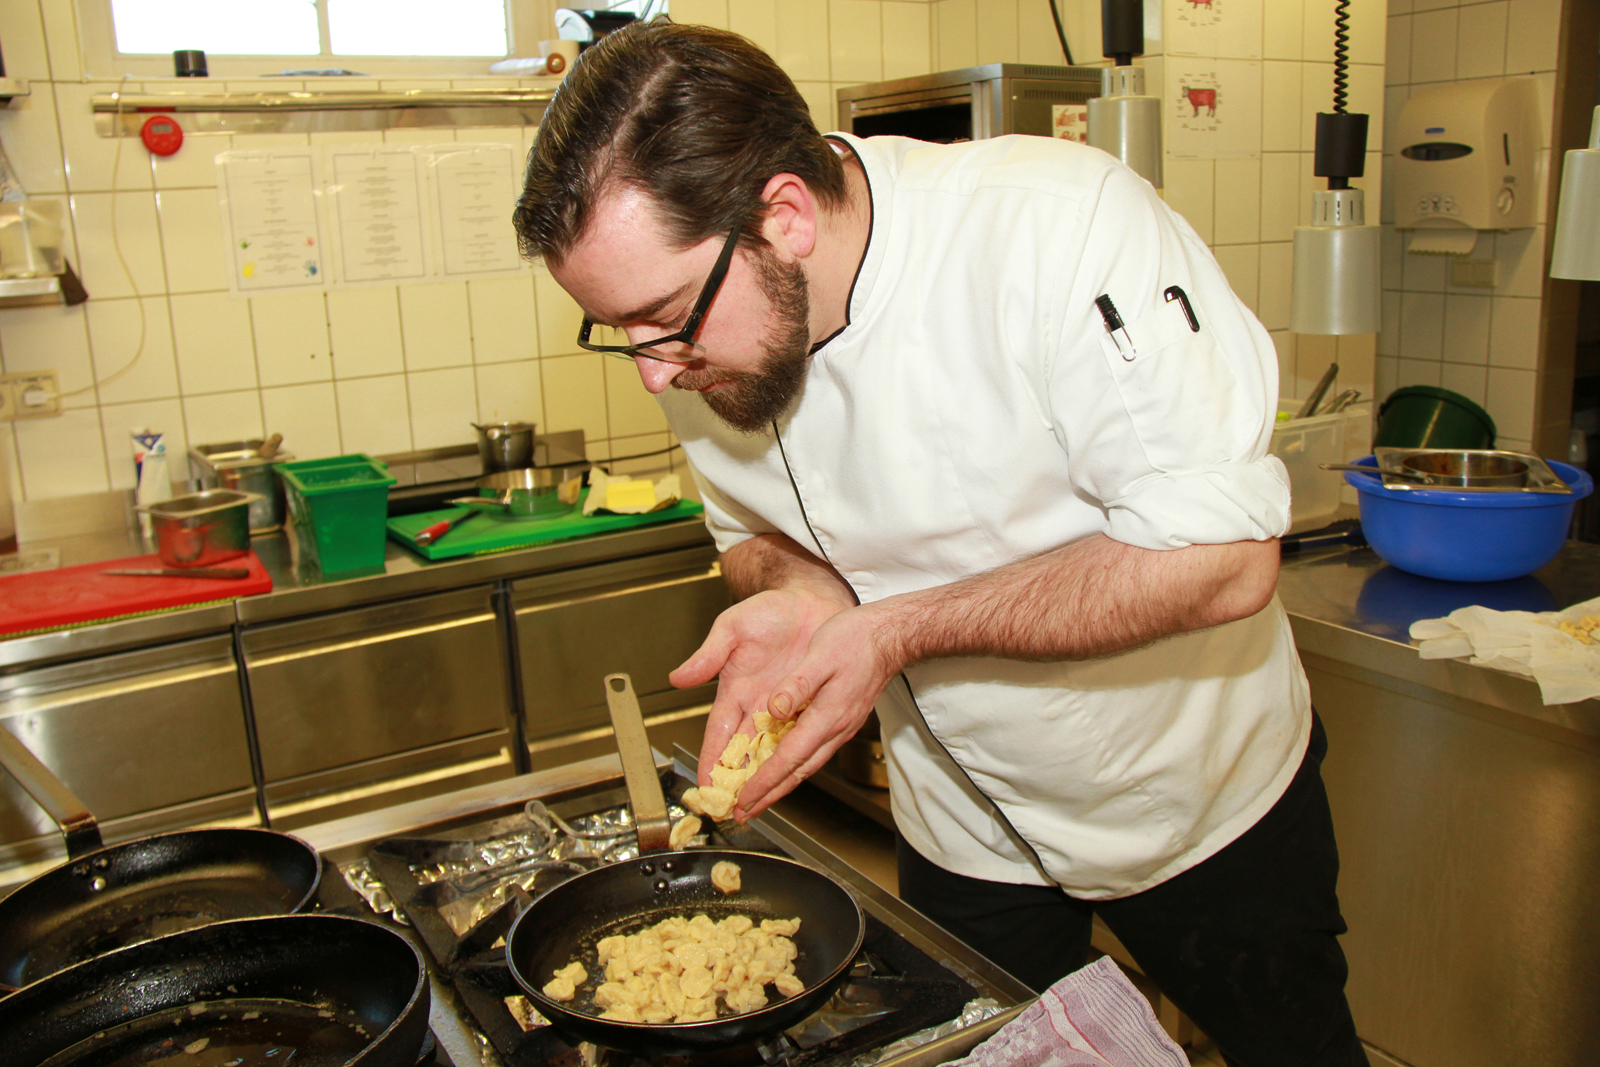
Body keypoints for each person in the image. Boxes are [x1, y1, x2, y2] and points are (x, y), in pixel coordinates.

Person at [514, 21, 1367, 1067]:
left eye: (661, 320)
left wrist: (893, 627)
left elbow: (1221, 556)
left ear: (781, 216)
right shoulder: (701, 329)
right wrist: (800, 592)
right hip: (961, 825)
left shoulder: (1055, 227)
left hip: (1188, 803)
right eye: (621, 332)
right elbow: (757, 532)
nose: (652, 373)